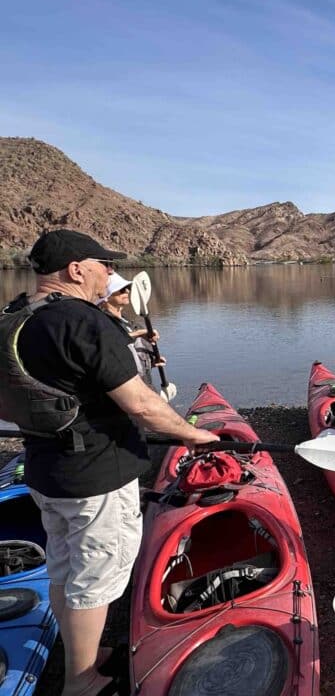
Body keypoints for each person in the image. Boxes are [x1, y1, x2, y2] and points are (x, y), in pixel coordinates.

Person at [0, 229, 219, 696]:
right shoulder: (82, 321)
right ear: (75, 269)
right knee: (95, 576)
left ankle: (83, 657)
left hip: (45, 469)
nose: (108, 274)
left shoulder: (16, 316)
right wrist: (195, 434)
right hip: (94, 477)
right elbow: (141, 404)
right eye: (103, 265)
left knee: (64, 568)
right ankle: (82, 682)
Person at [97, 272, 163, 387]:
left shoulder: (131, 324)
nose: (127, 292)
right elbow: (106, 343)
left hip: (145, 389)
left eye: (128, 288)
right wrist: (136, 334)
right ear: (105, 296)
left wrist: (149, 363)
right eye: (122, 289)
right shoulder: (99, 321)